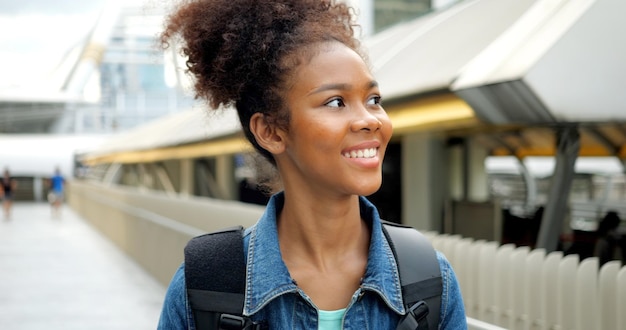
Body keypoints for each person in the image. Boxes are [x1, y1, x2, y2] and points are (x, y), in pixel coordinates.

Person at [157, 0, 467, 329]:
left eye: (373, 100)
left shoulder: (430, 280)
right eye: (336, 102)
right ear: (271, 131)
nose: (369, 120)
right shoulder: (206, 288)